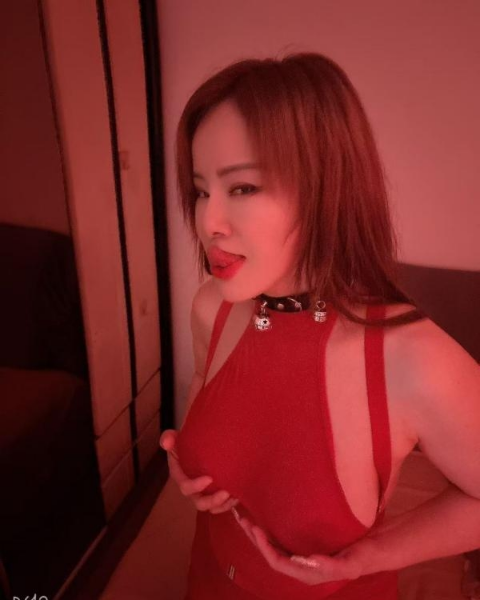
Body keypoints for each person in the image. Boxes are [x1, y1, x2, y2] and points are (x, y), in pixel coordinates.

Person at [159, 52, 480, 599]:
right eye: (201, 189)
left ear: (325, 188)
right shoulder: (211, 308)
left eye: (242, 188)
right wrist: (188, 470)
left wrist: (370, 557)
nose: (207, 222)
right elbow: (206, 415)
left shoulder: (412, 359)